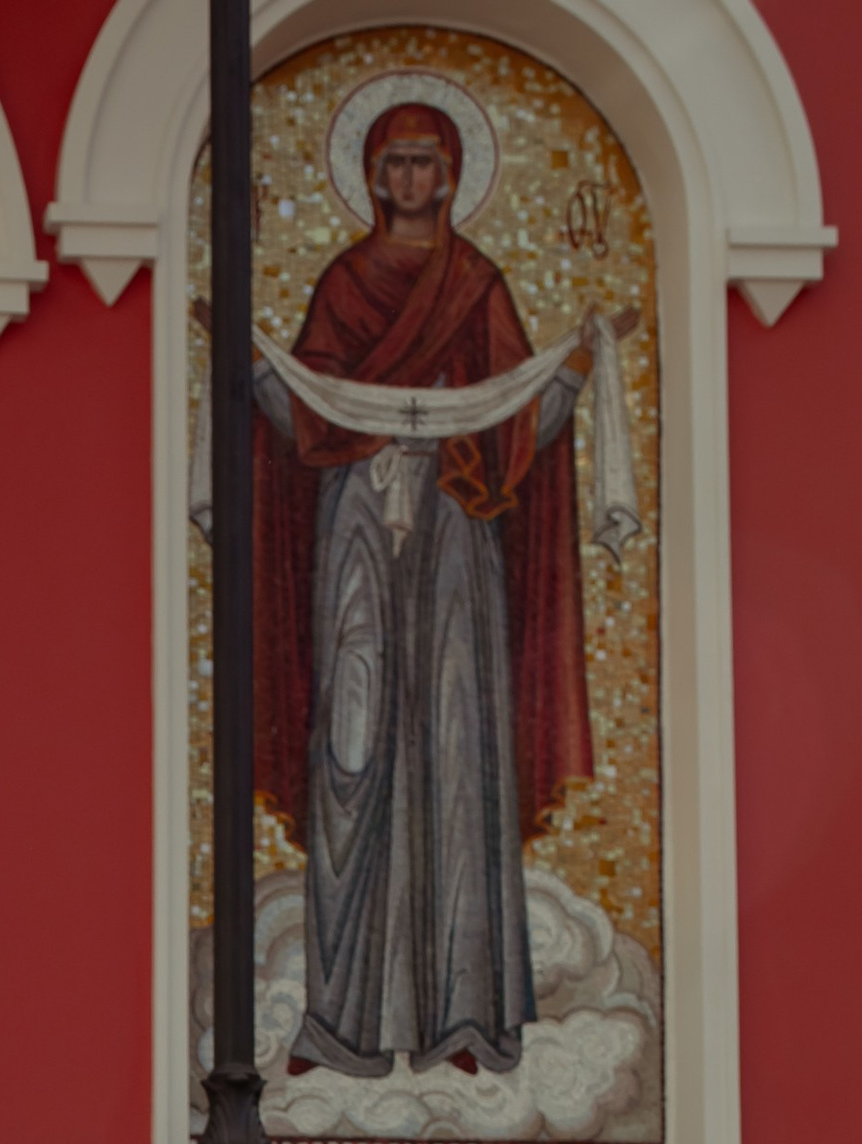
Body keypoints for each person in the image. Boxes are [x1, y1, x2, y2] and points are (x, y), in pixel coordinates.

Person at [224, 97, 637, 1076]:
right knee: (354, 757)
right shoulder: (341, 284)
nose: (410, 178)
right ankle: (339, 1021)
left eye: (425, 161)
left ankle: (463, 1020)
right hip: (359, 532)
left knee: (457, 759)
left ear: (452, 173)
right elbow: (304, 419)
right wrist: (251, 366)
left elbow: (517, 432)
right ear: (370, 173)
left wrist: (574, 369)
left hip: (457, 540)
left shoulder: (476, 284)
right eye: (394, 161)